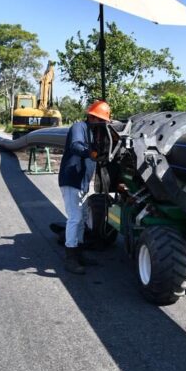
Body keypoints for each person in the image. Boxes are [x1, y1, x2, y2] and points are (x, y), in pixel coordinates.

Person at [58, 100, 111, 274]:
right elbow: (75, 146)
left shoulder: (93, 133)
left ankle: (79, 252)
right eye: (100, 120)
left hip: (82, 182)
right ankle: (70, 257)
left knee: (81, 220)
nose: (101, 124)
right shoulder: (79, 127)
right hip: (71, 179)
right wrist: (90, 152)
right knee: (74, 218)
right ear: (91, 117)